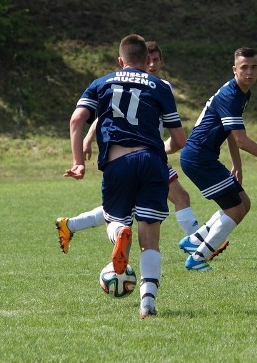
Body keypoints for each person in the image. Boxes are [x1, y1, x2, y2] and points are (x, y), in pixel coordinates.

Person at [64, 34, 186, 318]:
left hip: (118, 162)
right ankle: (148, 303)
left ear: (120, 61)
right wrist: (161, 149)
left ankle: (119, 232)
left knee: (113, 217)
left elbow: (76, 119)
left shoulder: (101, 83)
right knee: (151, 238)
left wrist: (78, 162)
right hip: (152, 161)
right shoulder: (159, 85)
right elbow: (179, 139)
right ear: (147, 61)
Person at [56, 41, 201, 254]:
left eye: (155, 59)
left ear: (161, 62)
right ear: (142, 60)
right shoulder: (156, 87)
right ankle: (197, 244)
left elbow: (98, 114)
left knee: (125, 208)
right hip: (149, 155)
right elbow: (111, 114)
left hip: (140, 154)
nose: (151, 64)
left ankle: (72, 225)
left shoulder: (157, 85)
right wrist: (88, 138)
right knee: (176, 198)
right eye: (148, 59)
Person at [179, 47, 257, 271]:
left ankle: (194, 240)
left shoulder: (242, 92)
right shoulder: (231, 95)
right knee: (234, 209)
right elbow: (242, 140)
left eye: (254, 67)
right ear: (234, 69)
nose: (249, 72)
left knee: (244, 203)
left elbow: (232, 132)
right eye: (244, 67)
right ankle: (198, 257)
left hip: (203, 157)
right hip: (198, 158)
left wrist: (237, 164)